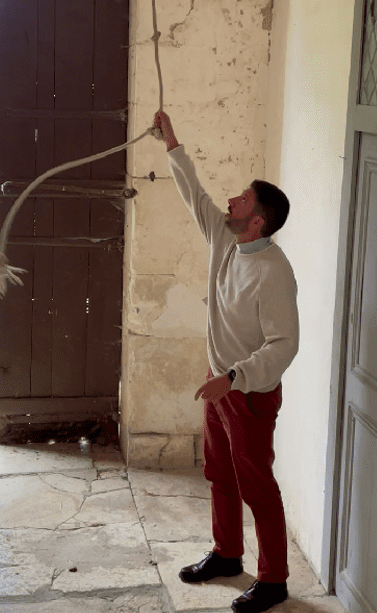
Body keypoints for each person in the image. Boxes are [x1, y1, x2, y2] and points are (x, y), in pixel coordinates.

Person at [153, 110, 299, 613]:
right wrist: (172, 142)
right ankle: (227, 554)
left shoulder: (274, 272)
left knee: (258, 486)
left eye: (242, 199)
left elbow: (284, 346)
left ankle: (274, 581)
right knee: (219, 473)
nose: (231, 200)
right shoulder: (226, 238)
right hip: (218, 381)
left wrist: (235, 378)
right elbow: (195, 194)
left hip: (249, 393)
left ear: (257, 221)